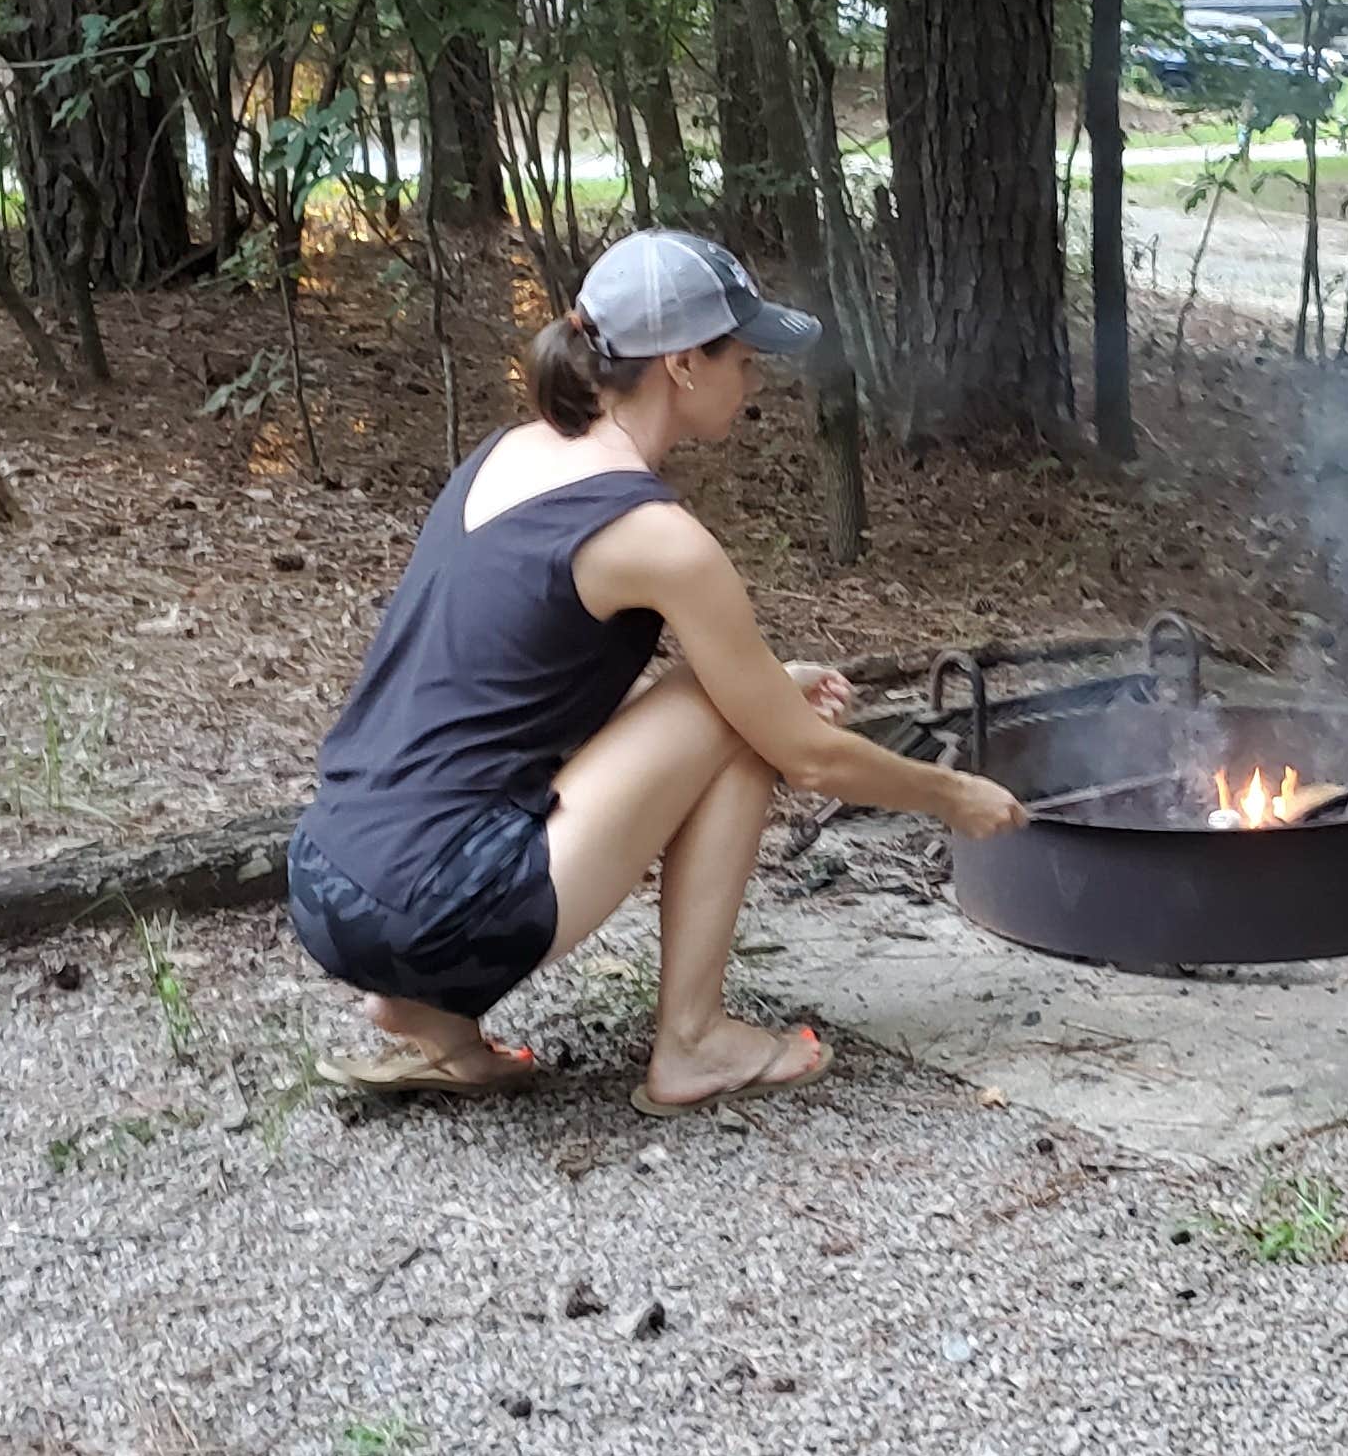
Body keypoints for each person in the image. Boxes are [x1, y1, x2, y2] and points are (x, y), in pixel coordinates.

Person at [287, 228, 1027, 1110]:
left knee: (732, 699)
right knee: (739, 721)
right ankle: (692, 1043)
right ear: (682, 365)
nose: (754, 378)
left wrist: (762, 680)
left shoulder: (508, 456)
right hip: (441, 906)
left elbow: (523, 690)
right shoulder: (657, 538)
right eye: (743, 357)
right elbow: (810, 760)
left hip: (327, 879)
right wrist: (955, 797)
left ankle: (425, 1017)